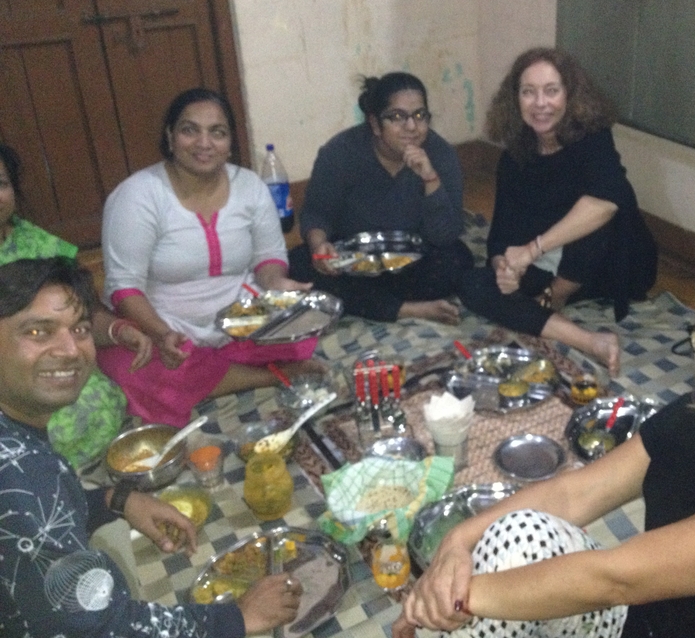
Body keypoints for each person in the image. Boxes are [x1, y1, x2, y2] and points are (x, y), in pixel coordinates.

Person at [395, 261, 695, 638]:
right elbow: (574, 494)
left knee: (496, 589)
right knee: (518, 535)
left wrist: (447, 599)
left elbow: (616, 579)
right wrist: (457, 544)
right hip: (644, 621)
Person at [0, 257, 301, 638]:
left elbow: (33, 522)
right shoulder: (21, 473)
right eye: (38, 331)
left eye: (80, 329)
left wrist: (115, 499)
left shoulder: (20, 449)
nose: (71, 349)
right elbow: (101, 632)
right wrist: (237, 619)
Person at [98, 88, 320, 428]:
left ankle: (215, 376)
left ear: (230, 143)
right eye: (190, 130)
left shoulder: (249, 186)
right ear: (170, 136)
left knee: (301, 330)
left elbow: (268, 256)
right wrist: (162, 335)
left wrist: (278, 283)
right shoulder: (138, 195)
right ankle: (268, 376)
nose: (204, 143)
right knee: (133, 367)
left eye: (217, 132)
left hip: (241, 319)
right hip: (165, 324)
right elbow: (124, 287)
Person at [458, 47, 658, 375]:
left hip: (613, 265)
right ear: (515, 99)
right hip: (550, 265)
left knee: (595, 212)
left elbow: (607, 201)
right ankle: (589, 340)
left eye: (551, 90)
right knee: (473, 283)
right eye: (528, 92)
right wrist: (504, 269)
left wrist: (532, 252)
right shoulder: (514, 158)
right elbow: (500, 237)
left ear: (570, 95)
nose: (540, 103)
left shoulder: (593, 140)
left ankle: (555, 299)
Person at [0, 143, 152, 469]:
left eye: (1, 184)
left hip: (70, 385)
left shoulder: (38, 245)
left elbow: (83, 314)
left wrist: (119, 330)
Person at [288, 72, 473, 324]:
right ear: (375, 124)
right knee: (300, 264)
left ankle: (373, 304)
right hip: (353, 261)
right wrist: (320, 246)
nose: (412, 127)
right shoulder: (341, 152)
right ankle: (407, 309)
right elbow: (316, 213)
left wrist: (430, 178)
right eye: (397, 117)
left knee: (458, 260)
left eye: (420, 115)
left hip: (413, 259)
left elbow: (445, 235)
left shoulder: (440, 154)